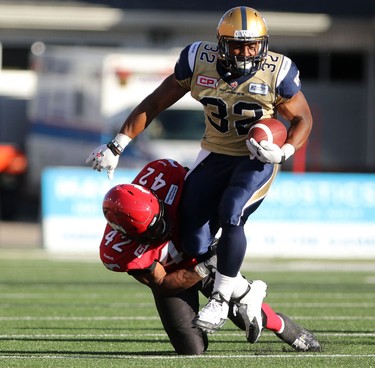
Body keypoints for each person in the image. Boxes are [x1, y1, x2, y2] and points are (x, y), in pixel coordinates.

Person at [86, 6, 313, 335]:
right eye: (237, 45)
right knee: (194, 242)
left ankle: (220, 298)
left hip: (256, 157)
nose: (247, 53)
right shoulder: (197, 60)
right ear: (221, 44)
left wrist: (284, 150)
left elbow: (303, 118)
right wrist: (117, 144)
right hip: (214, 153)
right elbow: (155, 102)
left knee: (232, 210)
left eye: (253, 45)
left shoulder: (278, 71)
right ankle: (247, 292)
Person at [99, 158, 321, 355]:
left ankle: (283, 326)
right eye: (153, 230)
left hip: (200, 251)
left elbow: (202, 190)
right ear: (126, 233)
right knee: (191, 350)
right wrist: (206, 266)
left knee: (244, 316)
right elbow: (163, 284)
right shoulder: (118, 250)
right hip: (175, 276)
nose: (163, 227)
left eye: (161, 217)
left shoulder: (165, 176)